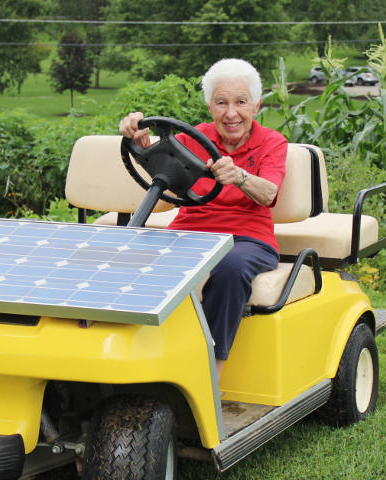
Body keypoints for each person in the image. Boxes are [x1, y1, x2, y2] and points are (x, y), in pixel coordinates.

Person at [119, 58, 288, 378]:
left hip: (247, 238)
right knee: (129, 257)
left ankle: (210, 376)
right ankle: (127, 361)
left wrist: (239, 176)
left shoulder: (272, 142)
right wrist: (137, 139)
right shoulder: (193, 137)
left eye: (241, 102)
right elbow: (161, 169)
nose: (231, 113)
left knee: (230, 269)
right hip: (190, 232)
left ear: (256, 105)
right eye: (221, 103)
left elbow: (268, 193)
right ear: (210, 105)